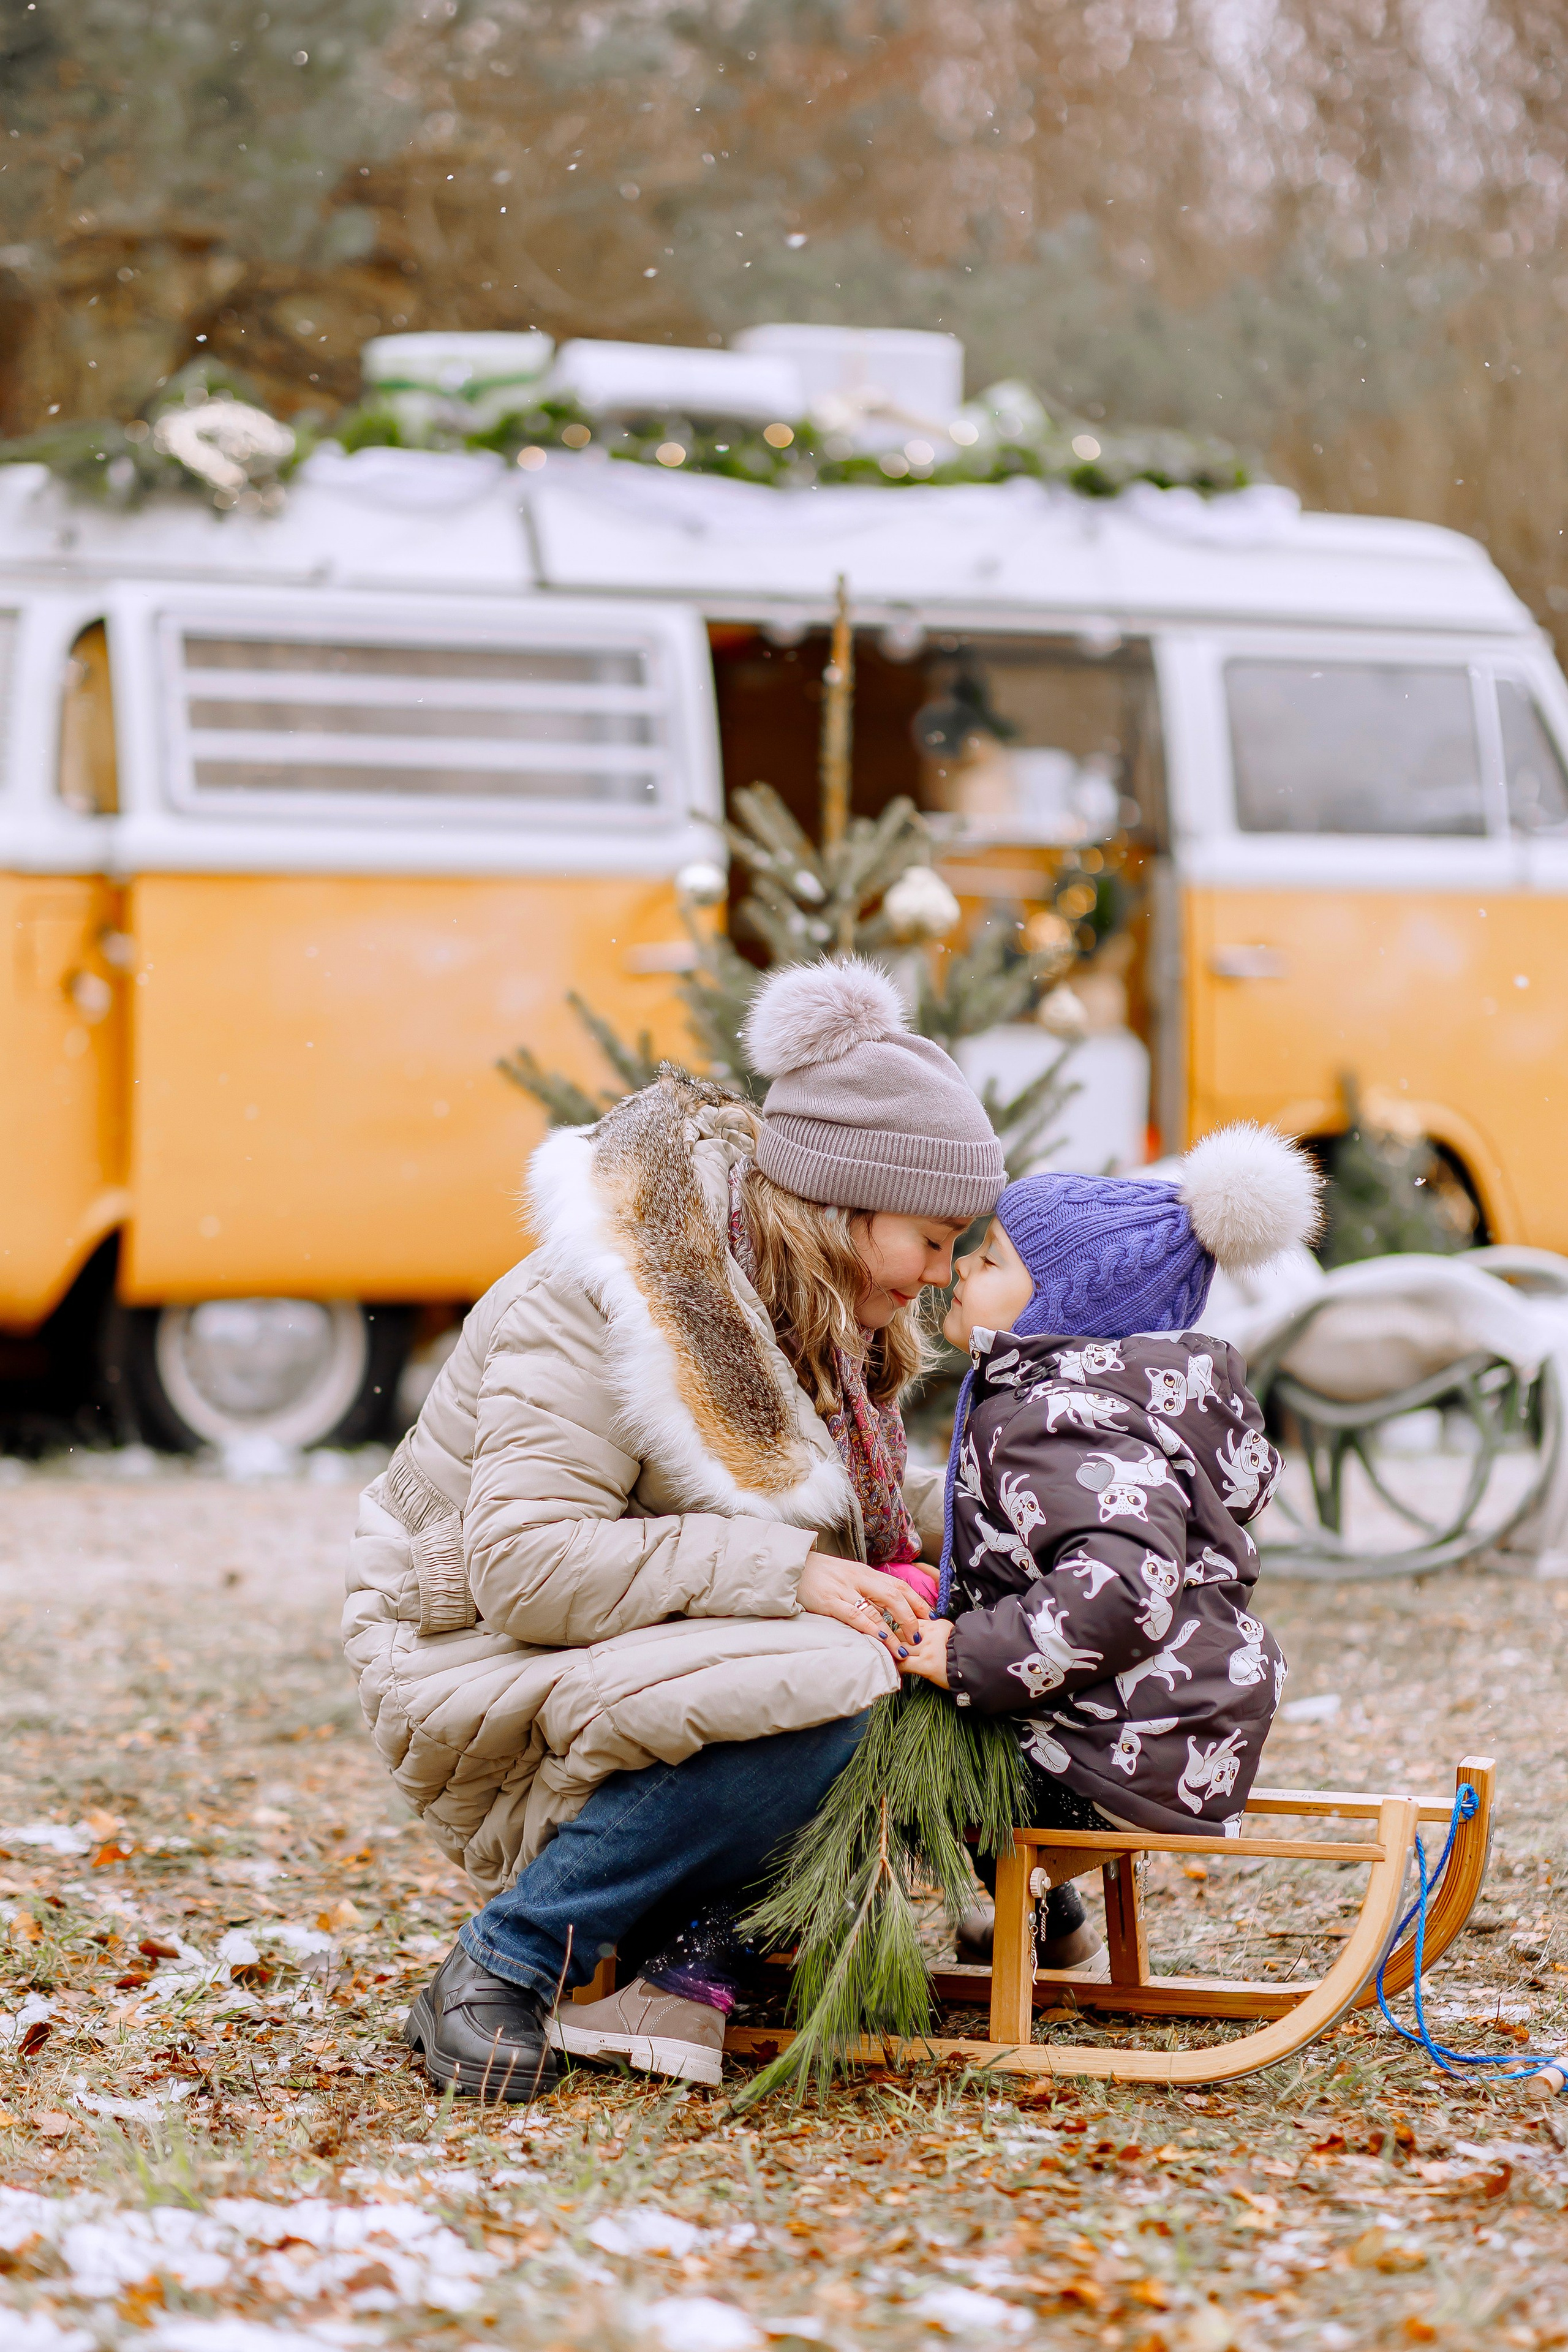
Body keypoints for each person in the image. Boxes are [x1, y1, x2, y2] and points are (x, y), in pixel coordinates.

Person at [342, 957, 1005, 2098]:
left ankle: (701, 1946)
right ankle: (507, 1957)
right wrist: (788, 1574)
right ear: (845, 1206)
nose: (943, 1278)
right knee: (837, 1679)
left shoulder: (816, 1315)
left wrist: (1019, 1527)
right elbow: (525, 1565)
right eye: (933, 1240)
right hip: (469, 1646)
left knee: (890, 1658)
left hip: (624, 1636)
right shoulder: (611, 1300)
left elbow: (848, 1520)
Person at [896, 1126, 1322, 1966]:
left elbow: (1124, 1587)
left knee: (893, 1720)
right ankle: (1053, 1926)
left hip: (1110, 1751)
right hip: (1171, 1731)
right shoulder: (1119, 1406)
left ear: (1065, 1304)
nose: (963, 1271)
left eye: (993, 1262)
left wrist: (967, 1653)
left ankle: (760, 1932)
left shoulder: (1056, 1418)